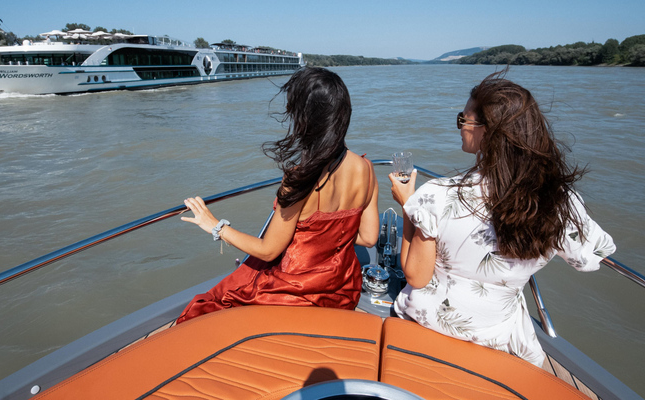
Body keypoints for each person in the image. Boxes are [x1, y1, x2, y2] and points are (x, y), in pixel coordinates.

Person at [388, 72, 616, 367]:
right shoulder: (559, 202)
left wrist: (409, 206)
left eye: (463, 119)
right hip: (499, 335)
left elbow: (416, 276)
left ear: (489, 131)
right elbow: (590, 257)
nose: (459, 127)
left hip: (429, 322)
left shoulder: (437, 195)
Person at [177, 67, 379, 324]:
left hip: (298, 293)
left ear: (305, 118)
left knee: (208, 305)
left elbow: (268, 251)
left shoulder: (300, 179)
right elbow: (368, 237)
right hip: (343, 291)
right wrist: (330, 235)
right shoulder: (367, 168)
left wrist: (216, 226)